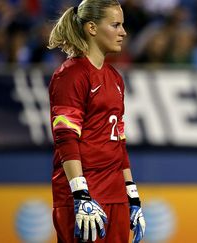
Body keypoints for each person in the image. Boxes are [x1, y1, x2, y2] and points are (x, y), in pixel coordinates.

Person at [47, 0, 145, 242]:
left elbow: (119, 141)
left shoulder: (115, 78)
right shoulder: (70, 75)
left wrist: (132, 195)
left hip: (116, 197)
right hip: (85, 199)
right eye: (115, 25)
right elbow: (66, 139)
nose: (123, 32)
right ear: (92, 28)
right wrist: (80, 195)